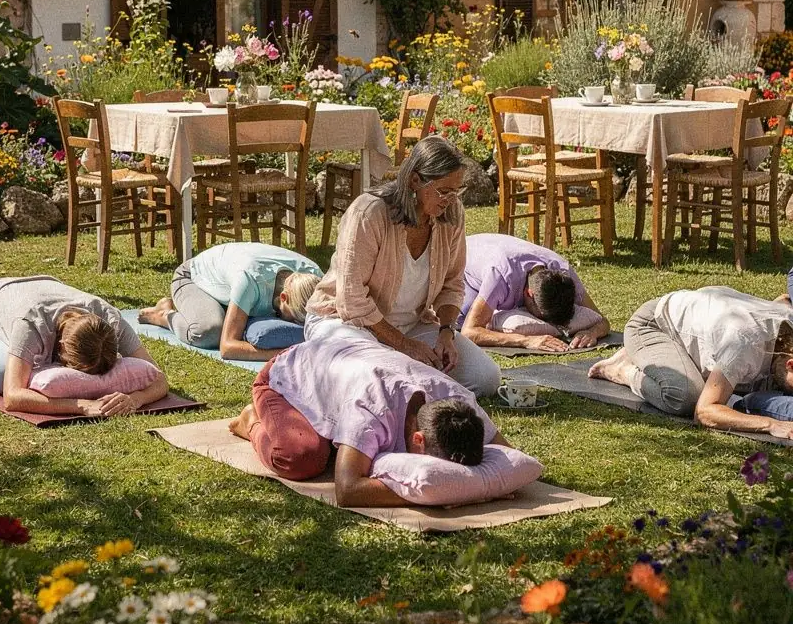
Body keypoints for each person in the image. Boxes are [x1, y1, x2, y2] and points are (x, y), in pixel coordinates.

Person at [304, 136, 500, 396]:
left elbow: (452, 284)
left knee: (486, 378)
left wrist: (445, 333)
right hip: (346, 324)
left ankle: (413, 382)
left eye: (457, 191)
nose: (451, 200)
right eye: (444, 191)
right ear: (415, 180)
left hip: (410, 326)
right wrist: (403, 345)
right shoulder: (369, 213)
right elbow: (351, 301)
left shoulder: (451, 215)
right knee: (380, 380)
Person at [229, 327, 508, 507]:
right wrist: (440, 492)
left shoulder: (460, 401)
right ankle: (251, 420)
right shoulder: (372, 408)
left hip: (348, 360)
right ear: (419, 440)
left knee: (335, 450)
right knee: (302, 459)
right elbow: (348, 490)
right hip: (286, 373)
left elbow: (508, 454)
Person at [588, 286, 793, 439]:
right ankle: (623, 368)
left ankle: (652, 356)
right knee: (685, 397)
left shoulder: (787, 326)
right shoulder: (743, 344)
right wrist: (770, 424)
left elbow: (783, 300)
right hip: (653, 325)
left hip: (702, 319)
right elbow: (705, 412)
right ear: (790, 364)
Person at [0, 276, 168, 418]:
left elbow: (159, 378)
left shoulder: (110, 320)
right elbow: (12, 397)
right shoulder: (32, 325)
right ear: (62, 347)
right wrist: (81, 405)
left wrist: (135, 399)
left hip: (42, 285)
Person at [139, 242, 323, 360]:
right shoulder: (250, 280)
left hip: (229, 280)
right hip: (192, 277)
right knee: (209, 332)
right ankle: (164, 314)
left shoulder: (315, 277)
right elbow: (227, 347)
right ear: (283, 298)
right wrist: (285, 355)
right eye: (294, 319)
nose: (296, 326)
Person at [458, 235, 610, 353]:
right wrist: (525, 341)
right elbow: (470, 332)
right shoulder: (500, 276)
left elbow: (602, 320)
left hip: (500, 249)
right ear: (528, 294)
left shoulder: (563, 271)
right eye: (543, 318)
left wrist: (592, 333)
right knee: (459, 319)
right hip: (461, 258)